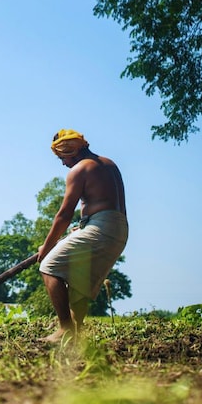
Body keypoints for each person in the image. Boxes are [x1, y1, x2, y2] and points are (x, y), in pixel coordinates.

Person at [37, 129, 128, 342]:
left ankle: (65, 329)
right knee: (80, 280)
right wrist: (86, 226)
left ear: (71, 151)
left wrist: (46, 247)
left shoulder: (80, 169)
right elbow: (108, 204)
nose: (63, 163)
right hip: (119, 229)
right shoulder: (109, 164)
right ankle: (76, 333)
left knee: (49, 267)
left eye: (62, 157)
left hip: (101, 229)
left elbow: (64, 215)